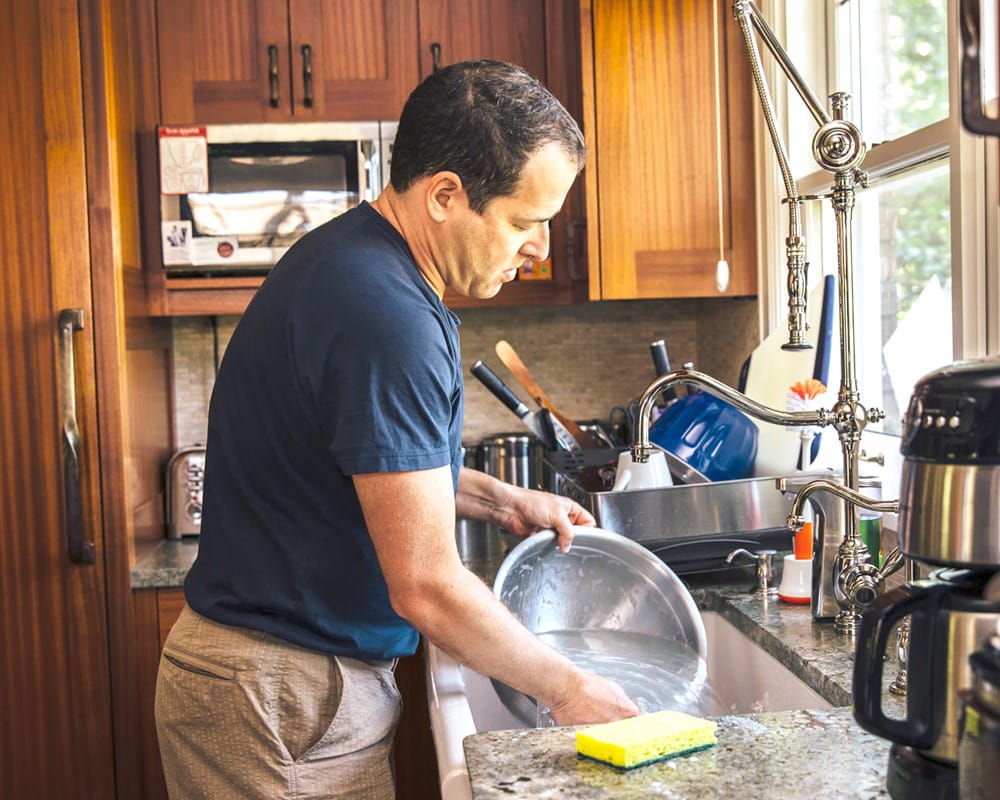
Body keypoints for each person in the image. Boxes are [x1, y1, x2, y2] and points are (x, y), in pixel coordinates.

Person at [154, 59, 638, 800]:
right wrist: (569, 689)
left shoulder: (359, 267)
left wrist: (500, 500)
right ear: (445, 195)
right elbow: (427, 587)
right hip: (281, 694)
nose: (538, 248)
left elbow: (367, 466)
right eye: (524, 221)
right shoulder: (385, 315)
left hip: (285, 685)